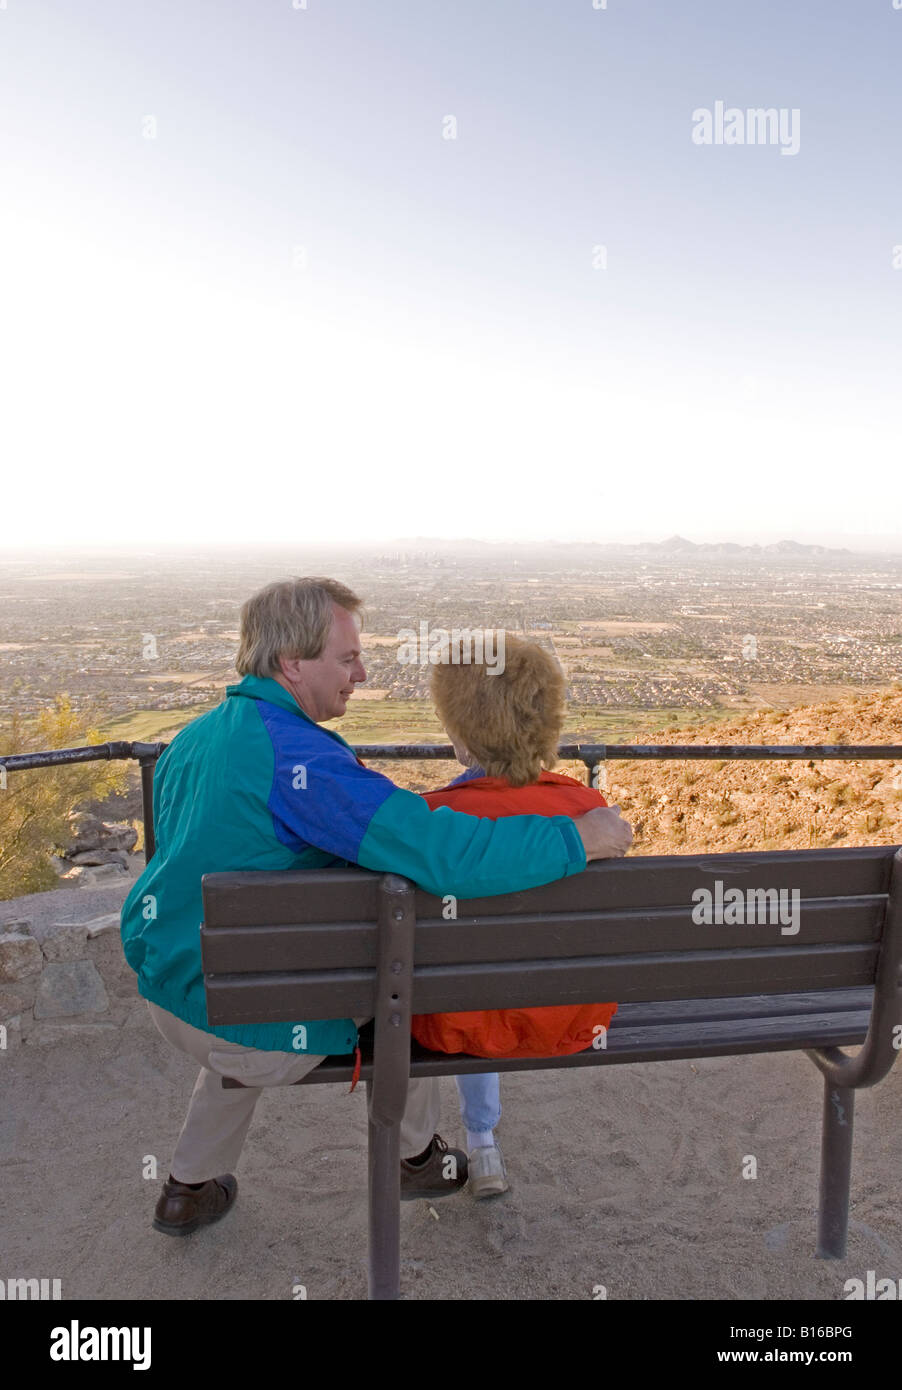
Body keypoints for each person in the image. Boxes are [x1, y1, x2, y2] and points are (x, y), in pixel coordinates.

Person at [120, 578, 633, 1235]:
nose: (361, 673)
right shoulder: (302, 760)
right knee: (399, 983)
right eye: (348, 658)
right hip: (258, 1027)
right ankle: (416, 1158)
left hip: (181, 992)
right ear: (292, 663)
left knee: (259, 987)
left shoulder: (196, 739)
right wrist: (575, 836)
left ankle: (188, 1187)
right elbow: (439, 850)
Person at [413, 633, 621, 1198]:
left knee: (462, 983)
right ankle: (483, 1140)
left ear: (460, 737)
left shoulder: (433, 819)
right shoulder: (593, 813)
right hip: (575, 1017)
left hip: (461, 1025)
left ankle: (479, 1141)